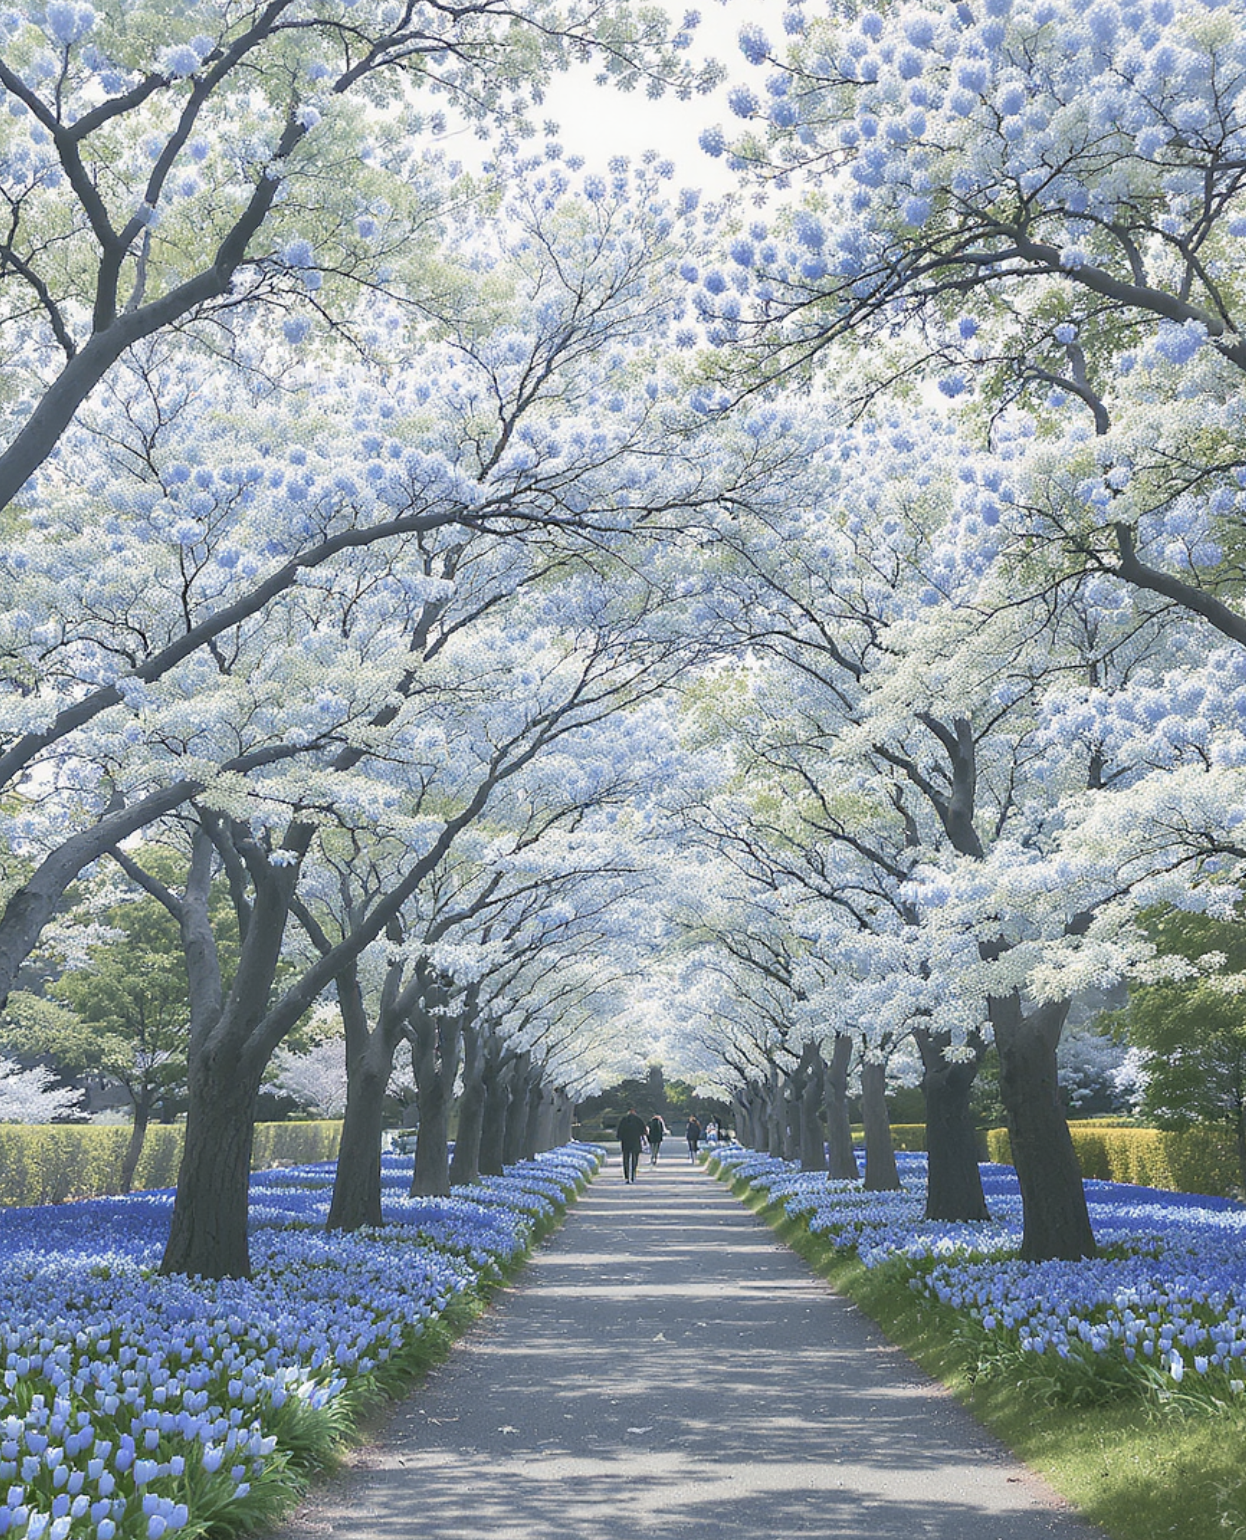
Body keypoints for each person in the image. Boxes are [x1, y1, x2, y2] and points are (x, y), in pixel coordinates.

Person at [617, 1107, 646, 1183]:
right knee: (634, 1159)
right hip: (635, 1141)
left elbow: (619, 1132)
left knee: (626, 1159)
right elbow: (644, 1131)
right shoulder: (638, 1120)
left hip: (626, 1142)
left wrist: (620, 1137)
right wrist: (643, 1139)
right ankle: (633, 1174)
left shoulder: (623, 1120)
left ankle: (626, 1176)